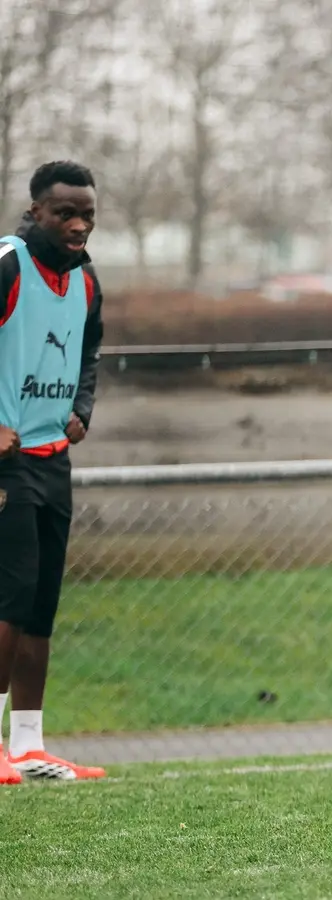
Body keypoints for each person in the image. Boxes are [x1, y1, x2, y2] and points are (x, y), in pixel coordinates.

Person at [0, 161, 107, 783]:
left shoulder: (87, 280)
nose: (78, 224)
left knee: (39, 606)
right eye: (65, 212)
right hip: (5, 466)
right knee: (7, 600)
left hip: (51, 460)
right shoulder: (9, 265)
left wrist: (81, 409)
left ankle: (30, 745)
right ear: (35, 210)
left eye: (87, 214)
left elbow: (89, 351)